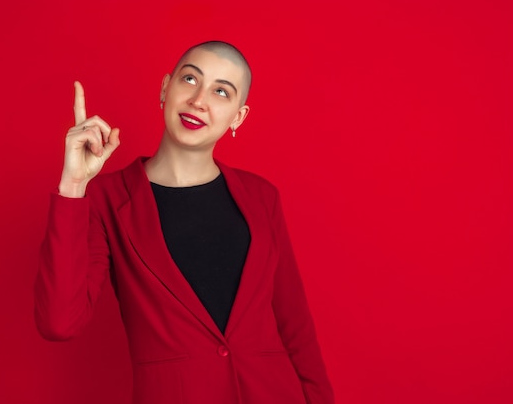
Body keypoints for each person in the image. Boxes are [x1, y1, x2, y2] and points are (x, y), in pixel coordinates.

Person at [35, 41, 334, 404]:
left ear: (238, 117)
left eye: (221, 91)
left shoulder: (261, 197)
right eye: (191, 79)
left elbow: (296, 327)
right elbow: (59, 323)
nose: (199, 101)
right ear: (166, 88)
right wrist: (73, 186)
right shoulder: (107, 200)